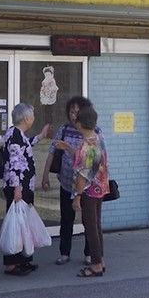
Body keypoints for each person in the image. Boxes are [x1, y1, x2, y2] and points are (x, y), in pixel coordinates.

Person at [43, 95, 98, 265]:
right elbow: (52, 151)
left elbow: (85, 160)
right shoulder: (64, 129)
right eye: (71, 112)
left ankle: (90, 254)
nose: (74, 115)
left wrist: (67, 147)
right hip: (67, 182)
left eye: (77, 112)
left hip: (86, 187)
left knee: (89, 221)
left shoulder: (93, 133)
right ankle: (64, 253)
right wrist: (45, 175)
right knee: (66, 219)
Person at [1, 102, 51, 276]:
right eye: (32, 116)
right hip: (19, 187)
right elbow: (14, 163)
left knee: (23, 223)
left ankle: (23, 259)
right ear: (27, 118)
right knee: (17, 223)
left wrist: (39, 137)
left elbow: (25, 146)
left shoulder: (17, 134)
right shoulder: (14, 135)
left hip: (24, 186)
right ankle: (12, 262)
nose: (33, 119)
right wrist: (17, 188)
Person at [72, 102, 109, 278]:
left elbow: (82, 174)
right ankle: (100, 260)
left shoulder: (85, 146)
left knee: (90, 227)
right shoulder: (99, 139)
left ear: (80, 124)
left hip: (87, 191)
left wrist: (77, 196)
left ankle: (95, 265)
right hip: (100, 188)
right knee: (97, 225)